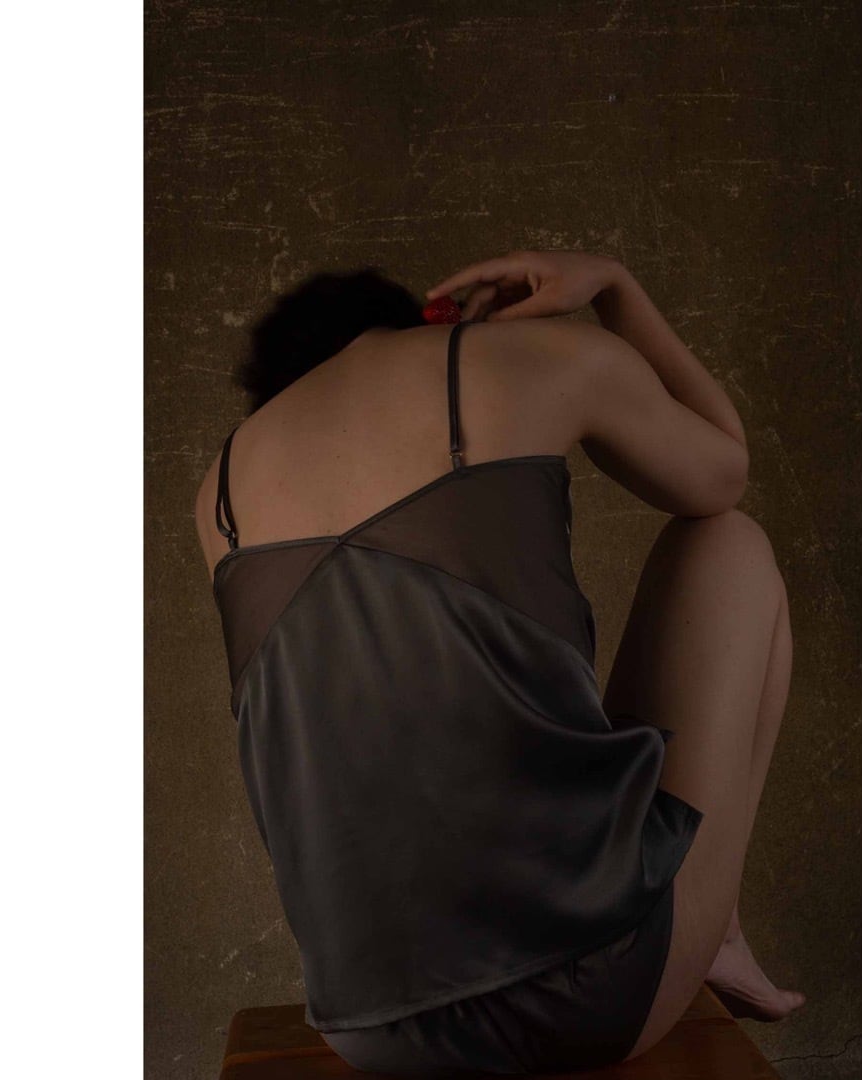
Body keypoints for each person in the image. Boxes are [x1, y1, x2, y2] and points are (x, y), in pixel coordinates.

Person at [194, 250, 805, 1074]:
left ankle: (696, 914)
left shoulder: (220, 494)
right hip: (595, 996)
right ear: (421, 323)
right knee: (730, 541)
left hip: (369, 1031)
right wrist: (614, 288)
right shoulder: (528, 356)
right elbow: (723, 472)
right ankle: (715, 921)